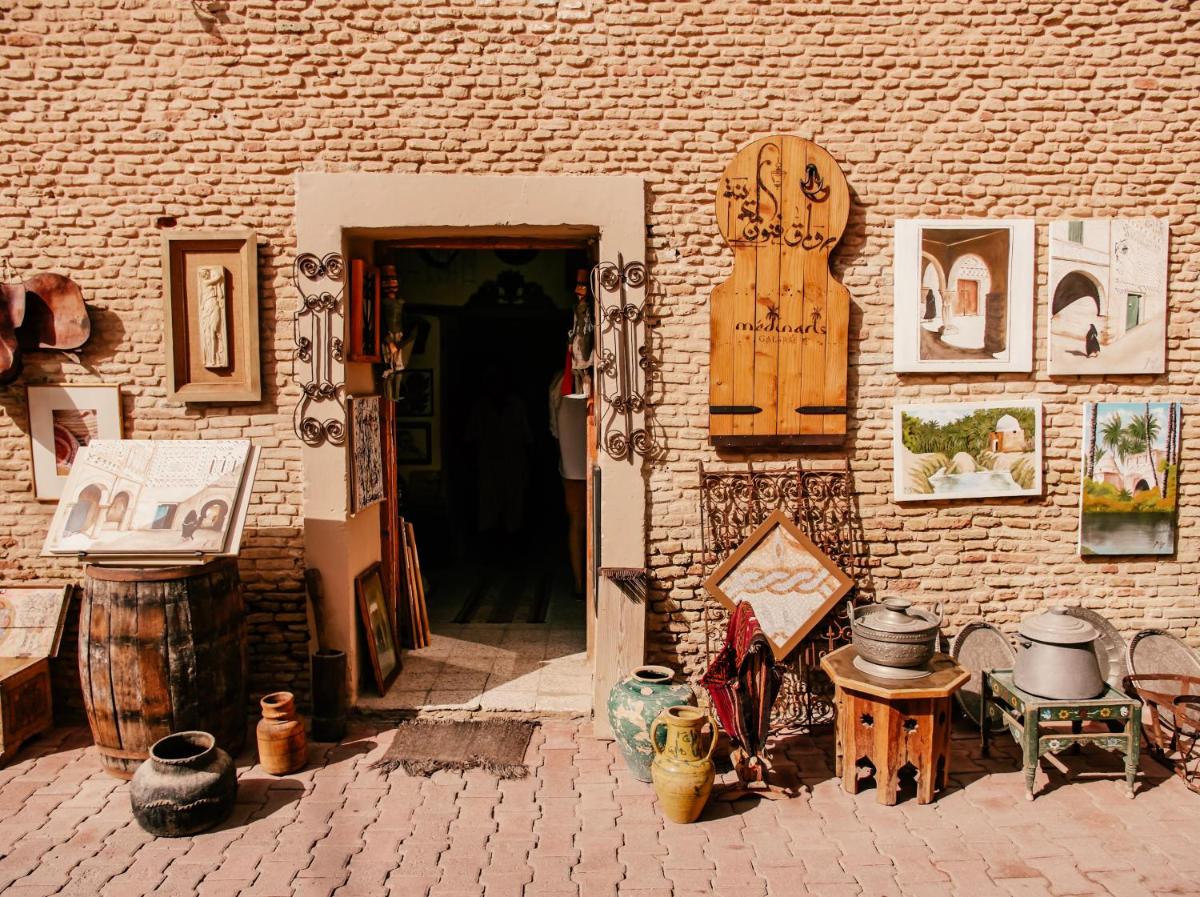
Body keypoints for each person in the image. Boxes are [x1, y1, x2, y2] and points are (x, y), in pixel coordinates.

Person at [550, 371, 588, 599]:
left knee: (577, 522)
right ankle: (584, 582)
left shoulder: (556, 385)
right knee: (589, 523)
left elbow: (554, 429)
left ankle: (579, 583)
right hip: (588, 459)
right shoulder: (592, 378)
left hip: (571, 463)